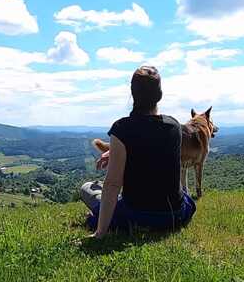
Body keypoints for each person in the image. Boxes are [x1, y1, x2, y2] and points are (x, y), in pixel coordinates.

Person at [80, 66, 196, 239]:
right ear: (160, 95)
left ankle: (108, 218)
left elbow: (112, 184)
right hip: (175, 214)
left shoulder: (122, 129)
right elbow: (152, 146)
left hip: (138, 215)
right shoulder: (174, 126)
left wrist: (100, 232)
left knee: (87, 188)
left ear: (133, 94)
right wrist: (115, 151)